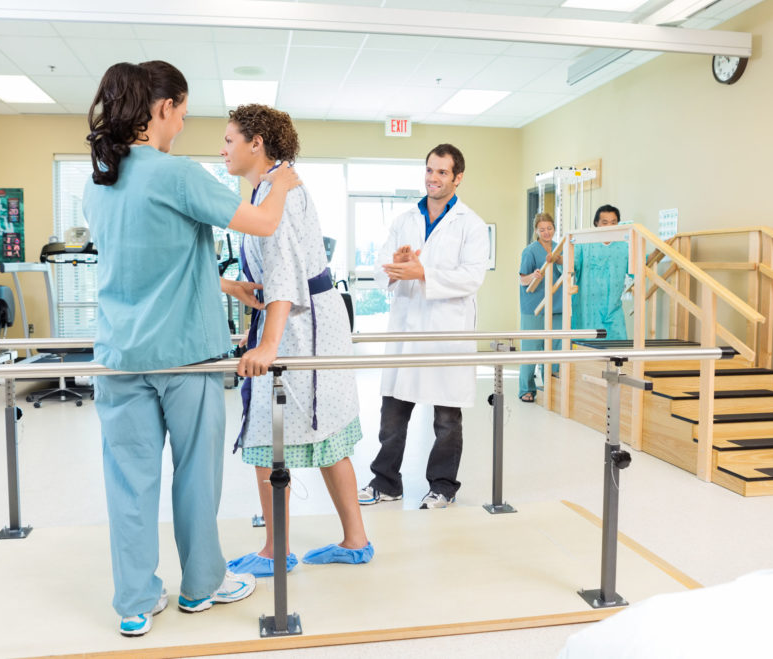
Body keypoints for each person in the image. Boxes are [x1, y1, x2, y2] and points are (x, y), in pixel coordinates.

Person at [82, 61, 299, 637]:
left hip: (120, 356)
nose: (183, 121)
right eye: (182, 109)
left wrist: (222, 283)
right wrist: (280, 180)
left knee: (128, 481)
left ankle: (134, 600)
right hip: (184, 356)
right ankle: (202, 586)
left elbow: (145, 257)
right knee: (195, 477)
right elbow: (263, 222)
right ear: (162, 108)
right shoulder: (174, 174)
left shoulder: (97, 179)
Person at [223, 104, 372, 577]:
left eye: (229, 140)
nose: (223, 148)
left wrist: (267, 346)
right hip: (307, 322)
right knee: (326, 433)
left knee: (268, 437)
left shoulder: (277, 191)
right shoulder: (271, 187)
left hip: (300, 328)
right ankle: (354, 541)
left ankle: (276, 549)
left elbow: (284, 274)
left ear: (256, 143)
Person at [357, 144, 489, 510]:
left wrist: (423, 272)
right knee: (393, 413)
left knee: (447, 418)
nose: (433, 178)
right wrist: (396, 263)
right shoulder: (404, 219)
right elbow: (381, 265)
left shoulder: (472, 225)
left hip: (446, 333)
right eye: (430, 170)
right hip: (407, 328)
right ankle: (386, 482)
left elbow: (472, 277)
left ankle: (443, 487)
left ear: (457, 177)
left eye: (442, 172)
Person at [518, 212, 563, 402]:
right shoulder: (530, 251)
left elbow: (570, 267)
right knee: (532, 349)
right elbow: (522, 280)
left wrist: (559, 259)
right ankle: (527, 389)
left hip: (557, 306)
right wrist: (533, 276)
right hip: (533, 307)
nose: (546, 233)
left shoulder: (559, 248)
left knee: (554, 350)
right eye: (542, 229)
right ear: (536, 231)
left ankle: (551, 388)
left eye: (549, 228)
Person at [572, 204, 629, 340]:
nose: (609, 226)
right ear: (596, 223)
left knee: (618, 350)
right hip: (587, 311)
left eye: (613, 222)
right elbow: (570, 264)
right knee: (586, 349)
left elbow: (640, 264)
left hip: (613, 310)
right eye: (605, 222)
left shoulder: (623, 246)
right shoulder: (584, 244)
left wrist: (658, 252)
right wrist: (557, 259)